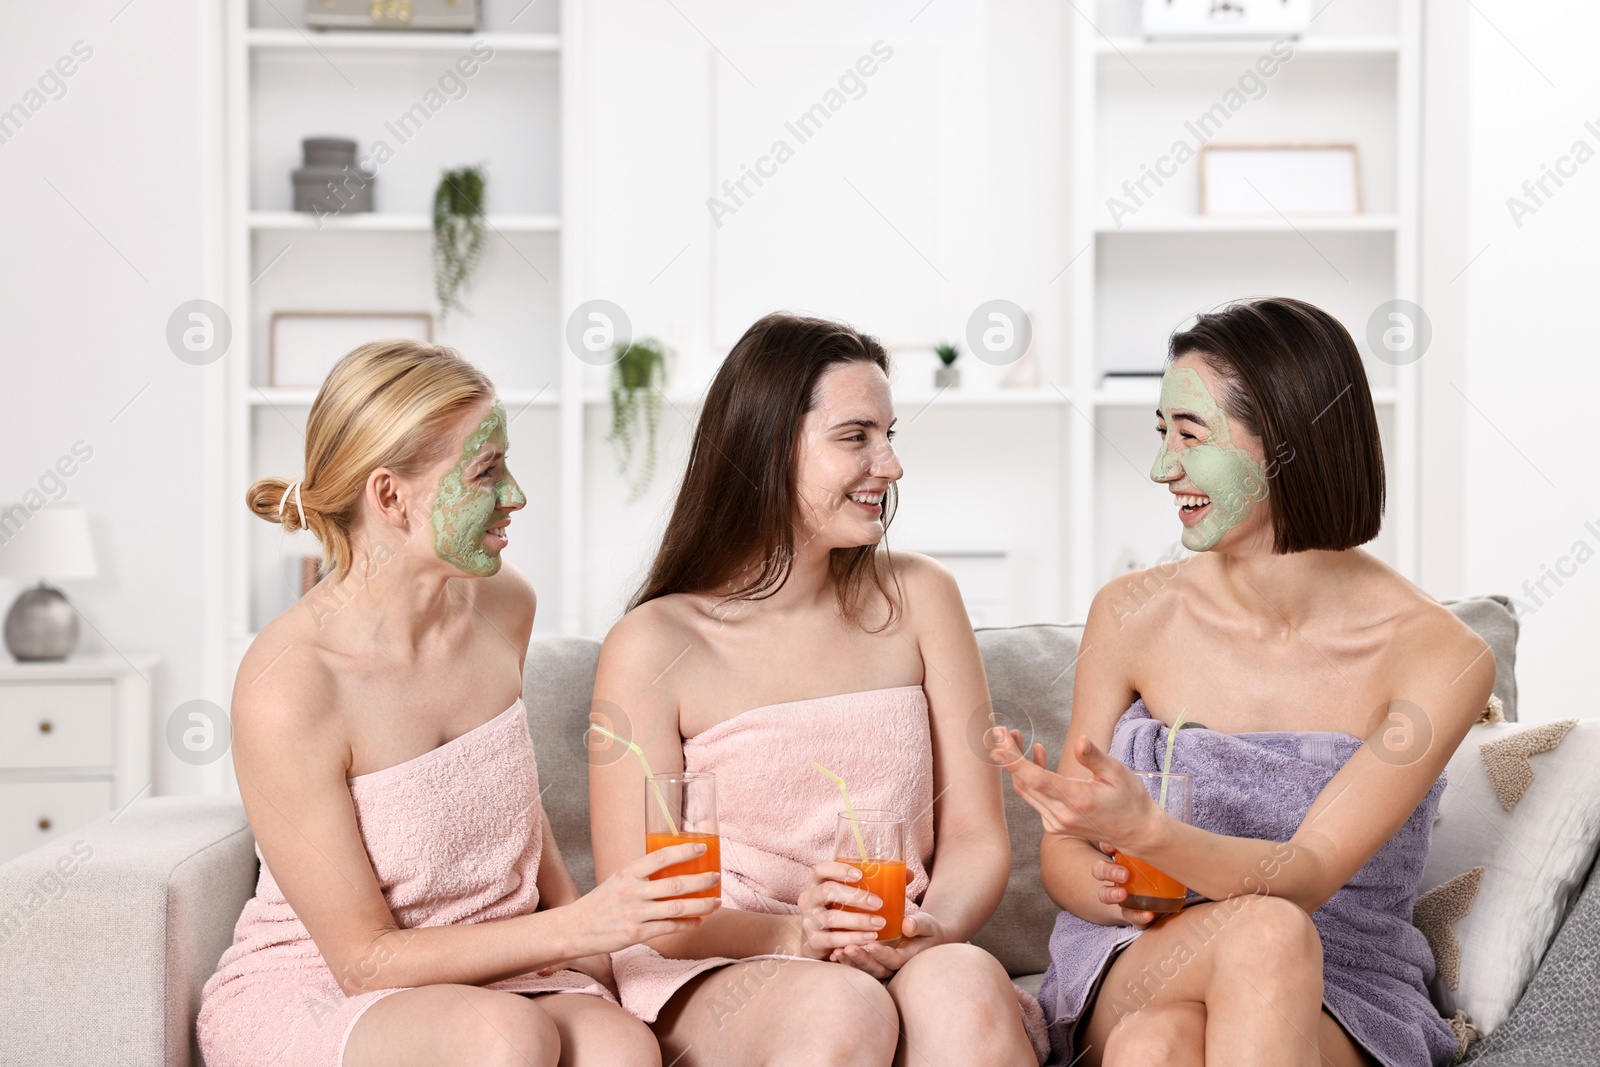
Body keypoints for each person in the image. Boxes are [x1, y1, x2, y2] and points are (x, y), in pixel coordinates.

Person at [993, 297, 1494, 1067]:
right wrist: (1107, 875)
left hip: (1344, 982)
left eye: (1189, 435)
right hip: (1140, 955)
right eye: (1161, 433)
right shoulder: (1131, 613)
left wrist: (1150, 831)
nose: (1163, 466)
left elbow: (1309, 872)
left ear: (1287, 442)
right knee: (1252, 939)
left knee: (1165, 1041)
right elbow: (1065, 851)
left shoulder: (1439, 655)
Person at [197, 340, 718, 1067]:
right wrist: (585, 926)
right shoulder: (290, 683)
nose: (515, 495)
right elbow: (363, 961)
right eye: (485, 471)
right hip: (324, 984)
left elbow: (511, 803)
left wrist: (597, 963)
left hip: (500, 963)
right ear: (389, 496)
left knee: (622, 1048)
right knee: (504, 1038)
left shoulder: (503, 605)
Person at [588, 313, 1045, 1066]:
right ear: (767, 448)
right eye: (856, 436)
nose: (891, 464)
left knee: (963, 984)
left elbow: (974, 835)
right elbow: (648, 905)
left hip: (898, 936)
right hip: (723, 962)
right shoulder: (655, 644)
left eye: (890, 434)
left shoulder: (922, 598)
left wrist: (931, 926)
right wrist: (794, 933)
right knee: (842, 1006)